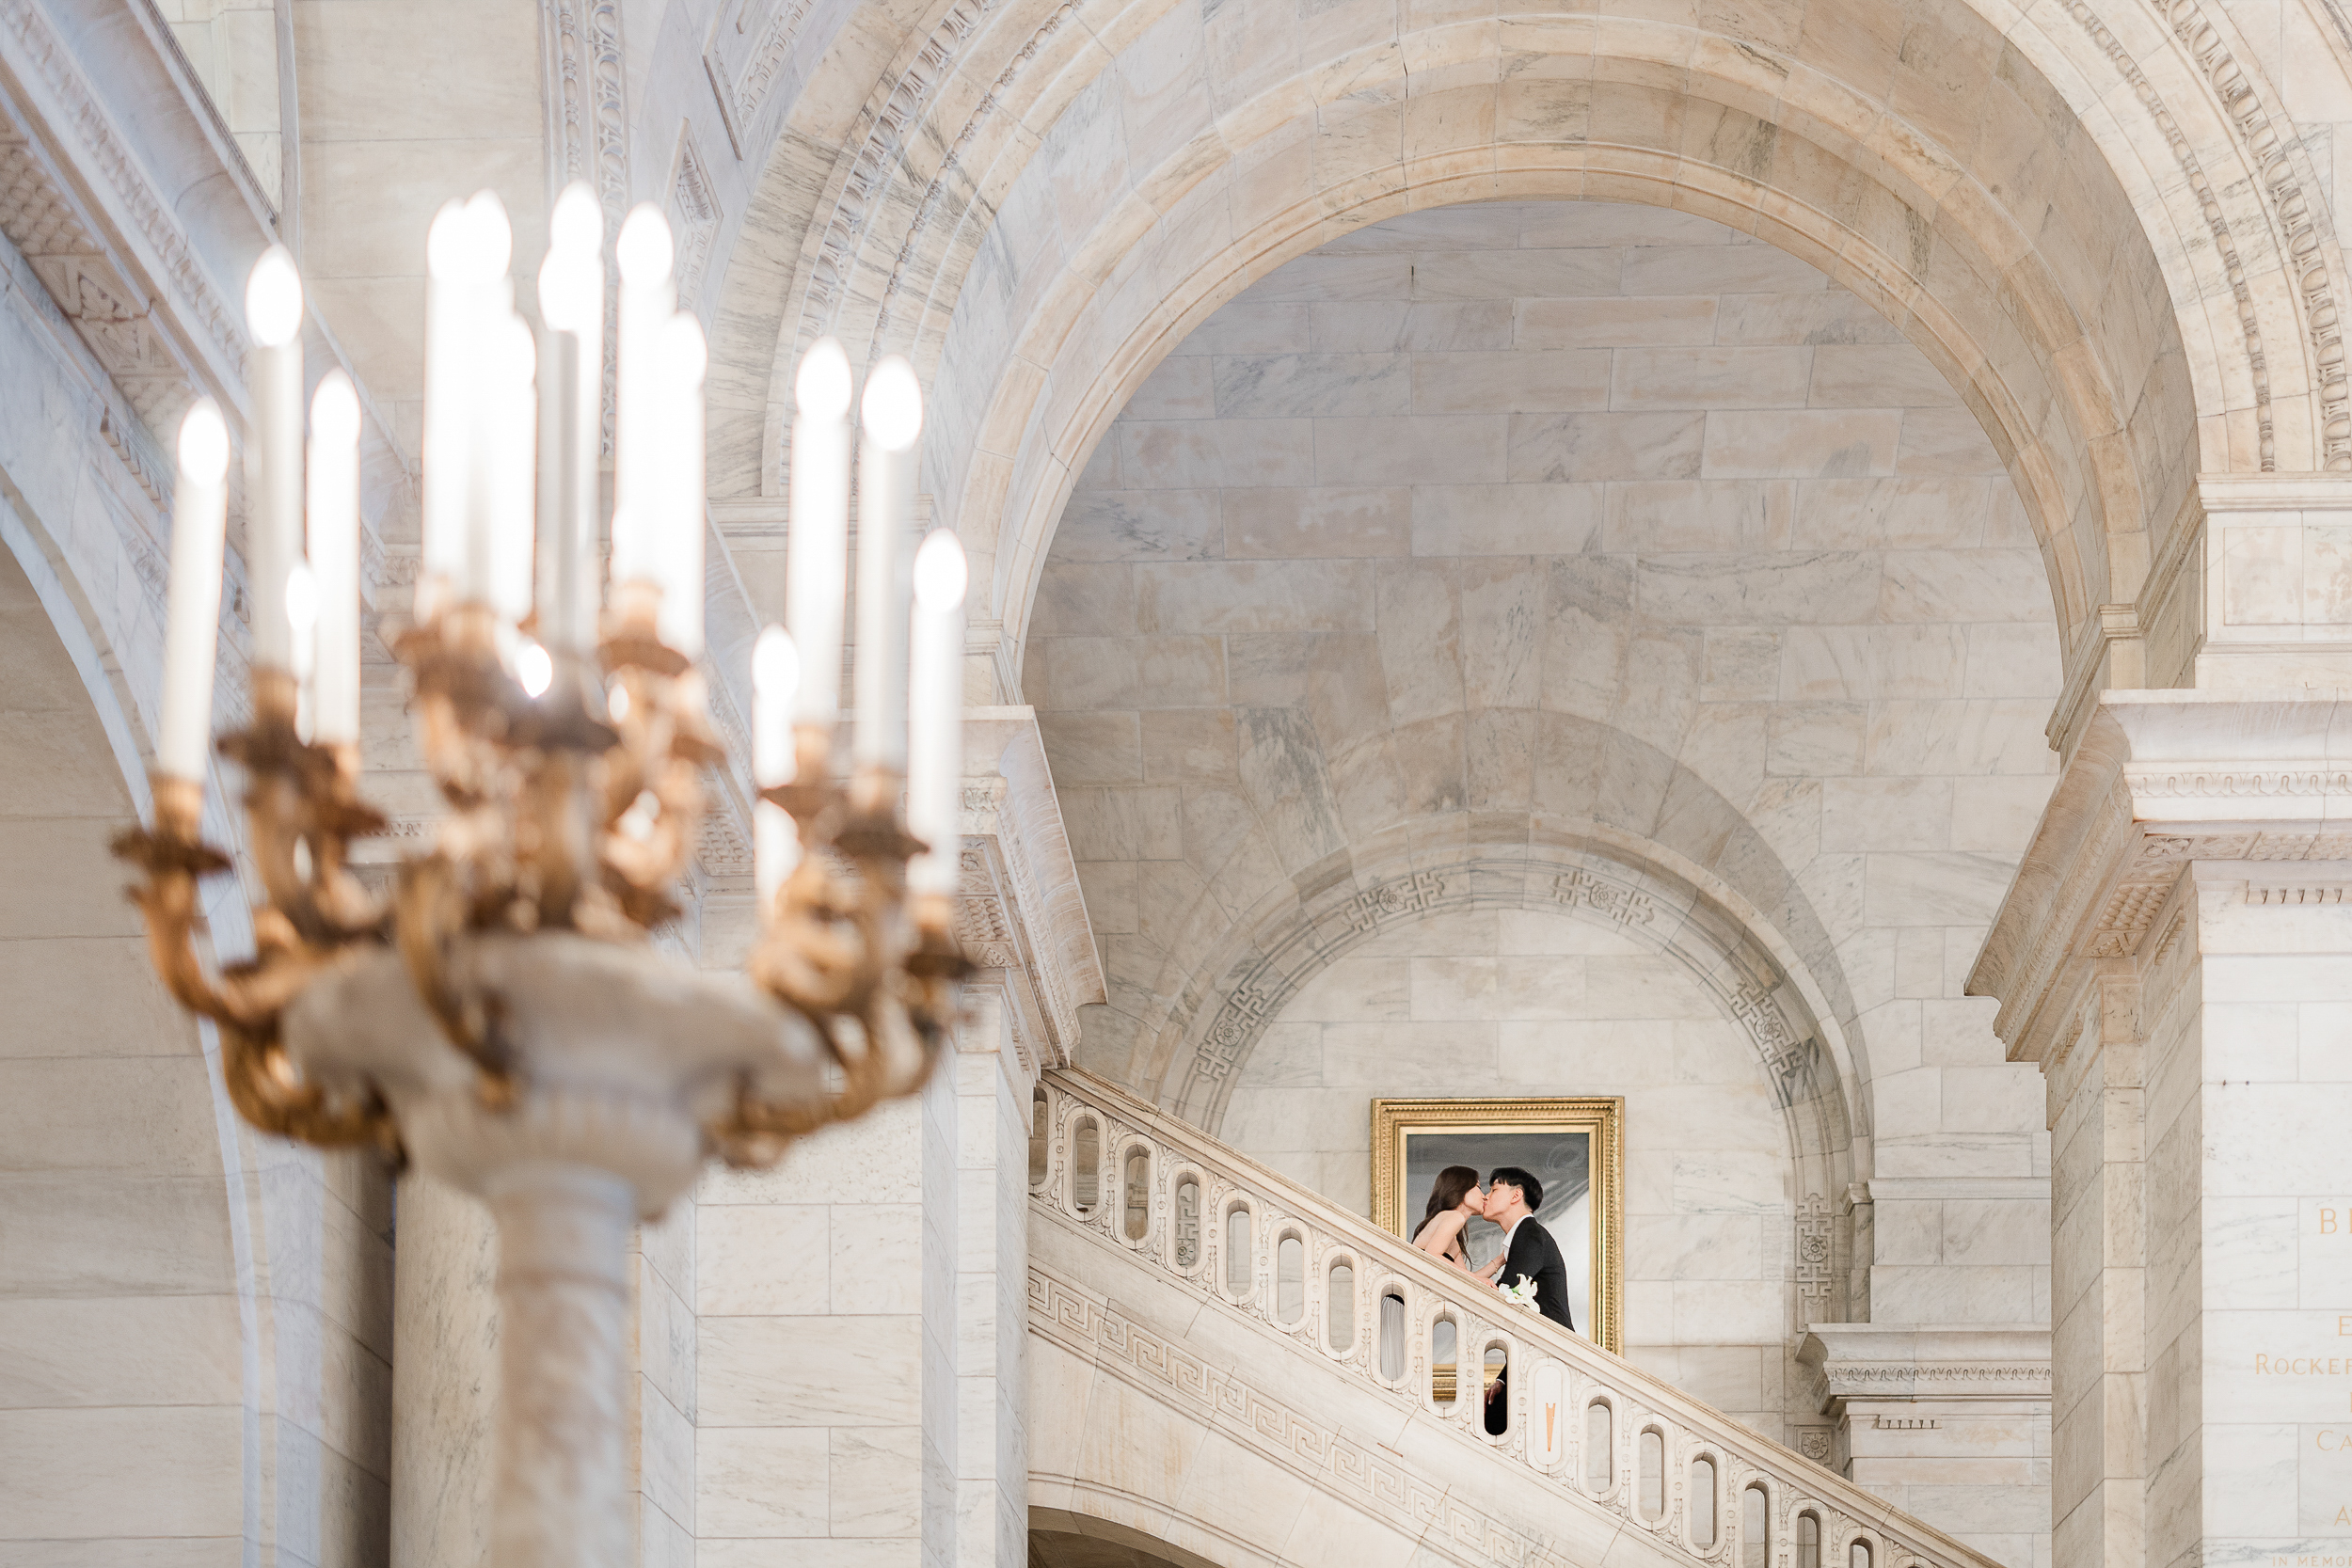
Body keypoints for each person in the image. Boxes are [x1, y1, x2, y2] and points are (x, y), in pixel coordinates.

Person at [1380, 1166, 1506, 1378]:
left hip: (1404, 1305)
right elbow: (1433, 1255)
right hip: (1400, 1305)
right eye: (1477, 1187)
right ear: (1461, 1190)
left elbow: (1467, 1280)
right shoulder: (1453, 1217)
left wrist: (1500, 1260)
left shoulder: (1451, 1224)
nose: (1484, 1195)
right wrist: (1477, 1278)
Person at [1483, 1164, 1571, 1434]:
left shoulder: (1529, 1234)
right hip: (1539, 1355)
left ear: (1515, 1195)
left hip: (1550, 1358)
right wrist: (1504, 1379)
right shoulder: (1525, 1235)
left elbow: (1509, 1294)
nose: (1486, 1196)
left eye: (1494, 1189)